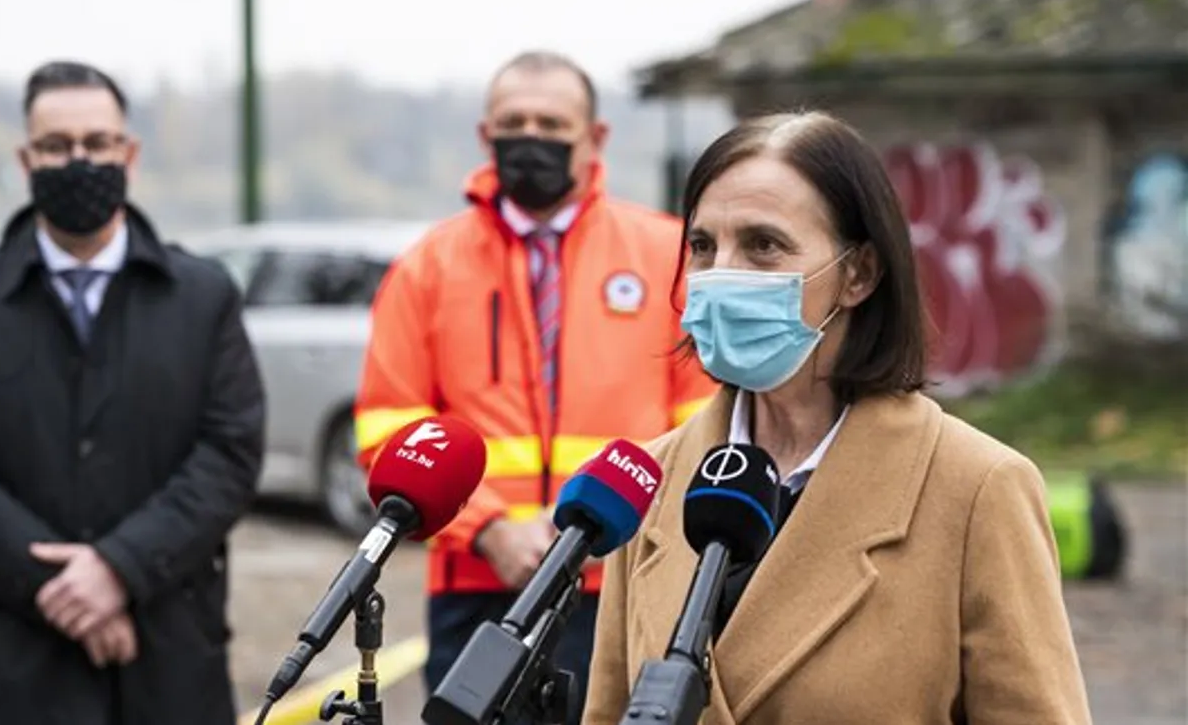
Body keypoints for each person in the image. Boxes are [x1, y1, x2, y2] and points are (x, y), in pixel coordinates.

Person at [583, 112, 1093, 724]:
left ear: (859, 274)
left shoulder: (977, 489)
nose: (720, 275)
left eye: (763, 246)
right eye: (702, 246)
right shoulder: (650, 480)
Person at [354, 50, 717, 723]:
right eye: (513, 122)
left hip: (623, 580)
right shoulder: (427, 267)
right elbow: (388, 431)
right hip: (475, 582)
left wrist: (602, 529)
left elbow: (706, 425)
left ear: (595, 138)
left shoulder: (667, 255)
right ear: (485, 134)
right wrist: (489, 527)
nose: (531, 137)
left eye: (551, 124)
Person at [0, 60, 266, 725]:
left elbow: (229, 453)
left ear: (129, 153)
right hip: (12, 665)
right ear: (25, 160)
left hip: (168, 664)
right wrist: (64, 590)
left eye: (97, 143)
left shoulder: (203, 297)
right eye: (56, 145)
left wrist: (122, 568)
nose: (78, 161)